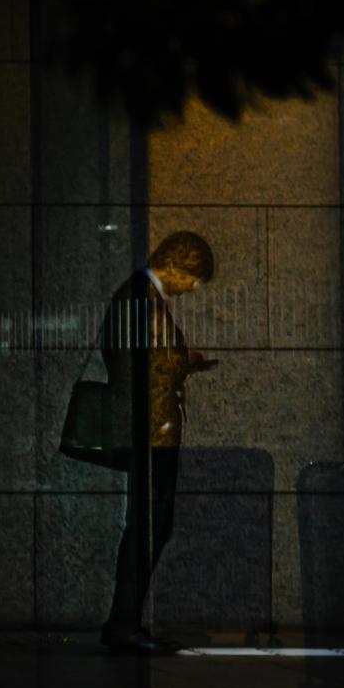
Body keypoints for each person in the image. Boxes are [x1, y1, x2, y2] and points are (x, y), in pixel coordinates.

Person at [98, 231, 217, 654]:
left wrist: (180, 360)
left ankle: (125, 622)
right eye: (192, 278)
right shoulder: (141, 299)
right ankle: (123, 624)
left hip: (149, 431)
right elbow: (149, 365)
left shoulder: (138, 296)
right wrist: (184, 361)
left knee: (149, 527)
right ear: (174, 265)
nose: (192, 289)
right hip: (151, 435)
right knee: (149, 527)